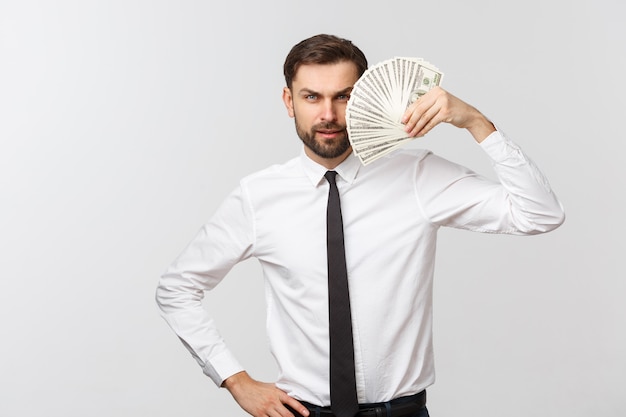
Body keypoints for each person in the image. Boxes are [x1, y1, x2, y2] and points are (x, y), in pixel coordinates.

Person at [156, 34, 565, 417]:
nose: (328, 115)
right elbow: (177, 289)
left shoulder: (418, 176)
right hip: (302, 411)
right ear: (289, 100)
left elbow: (540, 214)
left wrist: (476, 122)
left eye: (344, 96)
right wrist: (234, 379)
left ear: (366, 95)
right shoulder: (258, 196)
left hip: (402, 411)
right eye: (311, 97)